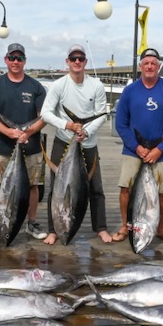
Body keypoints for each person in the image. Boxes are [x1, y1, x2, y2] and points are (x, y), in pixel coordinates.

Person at [40, 43, 112, 244]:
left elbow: (102, 115)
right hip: (64, 141)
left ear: (85, 62)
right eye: (73, 59)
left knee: (96, 187)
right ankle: (54, 229)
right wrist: (67, 125)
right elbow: (45, 113)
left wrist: (86, 130)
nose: (77, 62)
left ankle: (101, 228)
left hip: (88, 144)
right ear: (67, 62)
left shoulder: (96, 85)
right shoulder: (58, 85)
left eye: (81, 58)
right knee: (57, 188)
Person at [0, 42, 48, 241]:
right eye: (12, 58)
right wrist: (7, 131)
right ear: (6, 60)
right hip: (2, 146)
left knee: (34, 185)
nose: (15, 61)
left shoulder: (36, 87)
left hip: (31, 146)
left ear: (24, 61)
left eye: (19, 58)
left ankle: (32, 222)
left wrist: (28, 132)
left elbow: (43, 116)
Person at [111, 47, 163, 243]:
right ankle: (126, 226)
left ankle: (160, 227)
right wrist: (137, 147)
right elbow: (121, 124)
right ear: (141, 66)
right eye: (146, 63)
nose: (149, 66)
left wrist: (159, 149)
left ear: (158, 67)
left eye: (153, 63)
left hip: (162, 152)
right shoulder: (130, 90)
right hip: (133, 151)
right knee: (125, 188)